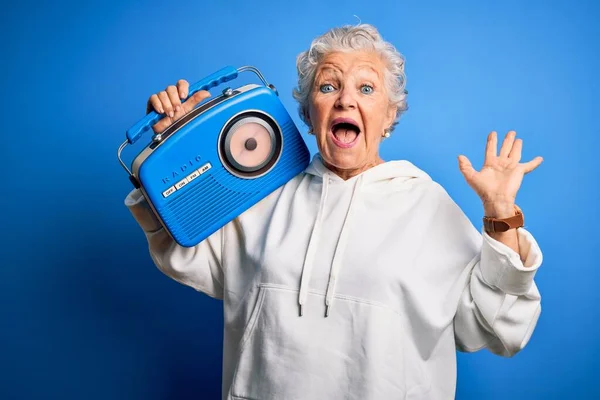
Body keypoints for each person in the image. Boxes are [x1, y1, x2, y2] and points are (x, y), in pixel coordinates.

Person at [125, 23, 544, 400]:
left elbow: (499, 327)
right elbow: (187, 254)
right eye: (328, 87)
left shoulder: (427, 206)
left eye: (366, 88)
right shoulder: (263, 194)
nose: (345, 100)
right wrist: (173, 142)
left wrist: (500, 211)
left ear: (389, 115)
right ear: (308, 114)